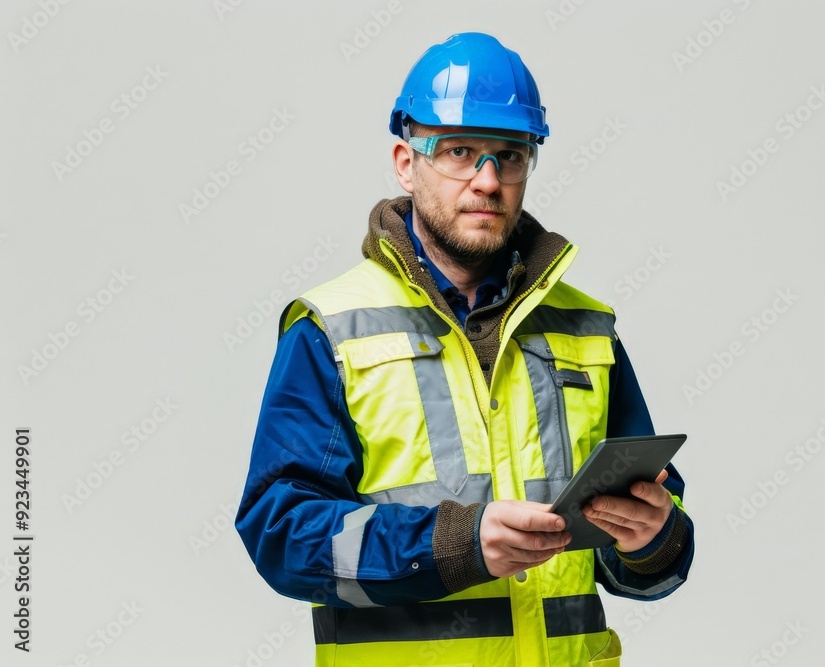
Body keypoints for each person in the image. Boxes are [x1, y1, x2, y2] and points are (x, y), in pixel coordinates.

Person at [236, 32, 694, 667]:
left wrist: (653, 538)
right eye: (459, 152)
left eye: (510, 156)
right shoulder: (332, 329)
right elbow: (281, 535)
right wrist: (455, 543)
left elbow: (650, 556)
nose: (488, 181)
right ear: (406, 163)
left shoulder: (586, 327)